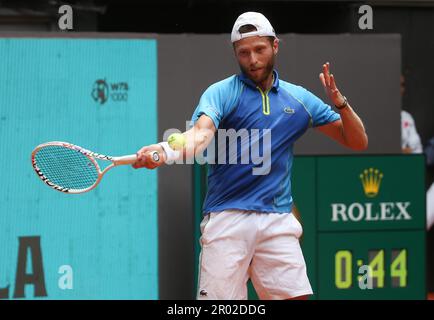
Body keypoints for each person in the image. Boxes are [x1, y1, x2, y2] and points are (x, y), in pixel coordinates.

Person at [133, 12, 368, 300]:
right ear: (236, 54)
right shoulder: (221, 93)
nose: (253, 59)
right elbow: (200, 135)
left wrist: (341, 104)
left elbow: (357, 141)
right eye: (244, 53)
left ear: (275, 46)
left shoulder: (299, 99)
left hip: (277, 218)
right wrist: (165, 150)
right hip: (227, 218)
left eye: (259, 50)